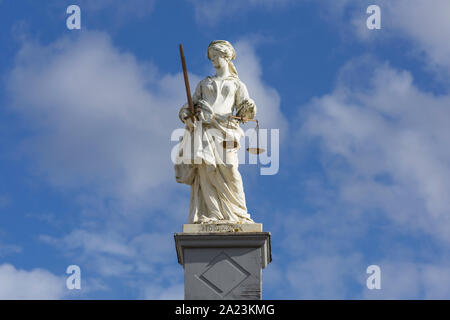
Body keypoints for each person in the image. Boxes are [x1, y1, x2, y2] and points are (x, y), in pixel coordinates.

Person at [175, 40, 257, 224]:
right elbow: (189, 107)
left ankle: (238, 214)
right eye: (211, 57)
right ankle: (212, 213)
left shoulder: (237, 85)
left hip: (226, 129)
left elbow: (245, 110)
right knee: (207, 170)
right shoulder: (205, 84)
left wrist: (248, 107)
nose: (213, 61)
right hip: (206, 129)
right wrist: (187, 112)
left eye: (216, 56)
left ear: (226, 57)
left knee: (229, 168)